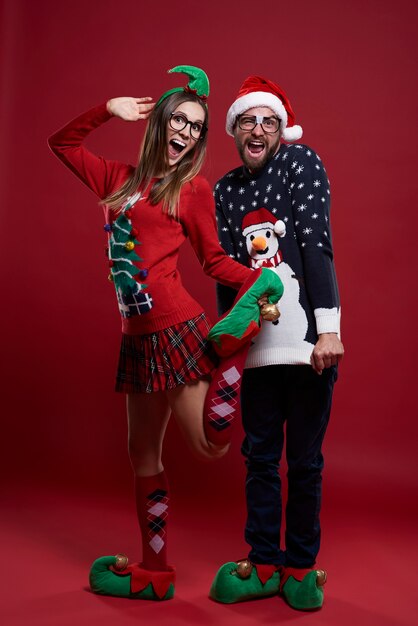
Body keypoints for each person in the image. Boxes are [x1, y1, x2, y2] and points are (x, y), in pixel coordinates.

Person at [48, 66, 282, 602]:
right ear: (159, 123)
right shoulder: (117, 180)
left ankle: (234, 349)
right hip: (136, 337)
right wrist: (108, 109)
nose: (186, 131)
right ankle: (155, 571)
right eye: (178, 119)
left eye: (196, 126)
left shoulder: (191, 189)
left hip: (177, 325)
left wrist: (262, 282)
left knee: (209, 445)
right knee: (141, 454)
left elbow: (214, 259)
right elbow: (60, 143)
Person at [209, 75, 344, 610]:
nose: (258, 129)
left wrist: (328, 328)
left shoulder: (301, 162)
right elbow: (224, 273)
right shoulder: (224, 190)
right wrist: (227, 350)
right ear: (236, 131)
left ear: (281, 128)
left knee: (305, 462)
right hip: (257, 350)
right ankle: (264, 561)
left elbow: (316, 243)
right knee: (260, 459)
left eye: (268, 121)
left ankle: (301, 568)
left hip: (310, 343)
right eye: (248, 121)